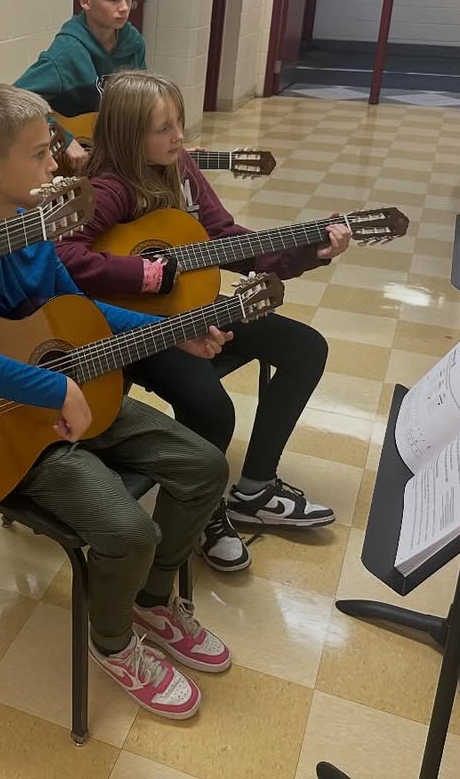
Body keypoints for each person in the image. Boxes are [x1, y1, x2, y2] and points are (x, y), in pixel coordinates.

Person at [0, 81, 234, 719]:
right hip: (9, 433)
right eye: (41, 153)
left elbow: (81, 309)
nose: (59, 163)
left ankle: (151, 602)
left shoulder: (34, 228)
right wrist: (58, 386)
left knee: (205, 468)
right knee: (129, 531)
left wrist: (173, 331)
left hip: (66, 401)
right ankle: (112, 641)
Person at [56, 71, 351, 573]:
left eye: (180, 123)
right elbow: (63, 257)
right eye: (163, 128)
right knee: (212, 408)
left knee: (306, 348)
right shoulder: (108, 189)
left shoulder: (182, 169)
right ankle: (202, 516)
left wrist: (308, 251)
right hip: (138, 329)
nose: (179, 137)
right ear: (128, 135)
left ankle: (255, 488)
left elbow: (225, 238)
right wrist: (149, 274)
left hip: (196, 310)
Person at [14, 0, 145, 171]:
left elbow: (140, 106)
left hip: (111, 154)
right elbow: (16, 100)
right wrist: (63, 138)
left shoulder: (134, 44)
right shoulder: (66, 54)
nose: (124, 8)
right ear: (86, 1)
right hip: (67, 167)